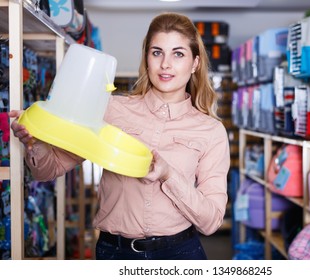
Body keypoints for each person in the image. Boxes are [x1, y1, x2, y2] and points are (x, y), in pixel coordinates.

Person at [9, 12, 230, 260]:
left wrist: (169, 174)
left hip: (180, 253)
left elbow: (211, 221)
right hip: (115, 253)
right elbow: (49, 170)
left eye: (178, 54)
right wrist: (35, 141)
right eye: (157, 52)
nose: (165, 64)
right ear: (147, 59)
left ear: (195, 64)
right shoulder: (111, 109)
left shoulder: (210, 131)